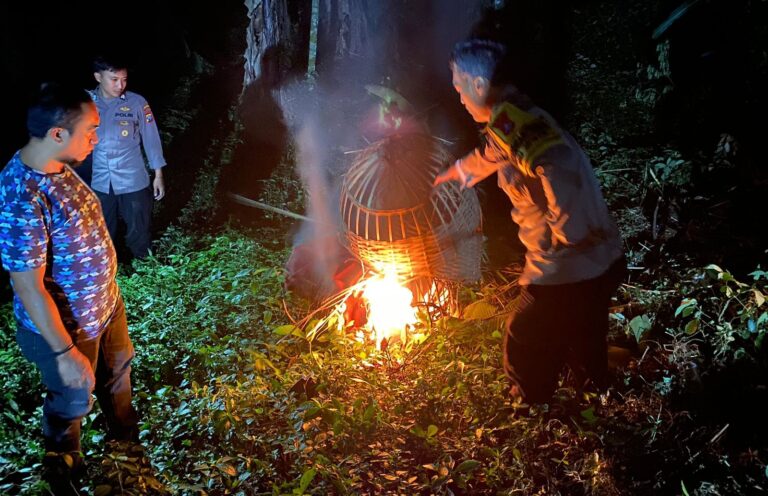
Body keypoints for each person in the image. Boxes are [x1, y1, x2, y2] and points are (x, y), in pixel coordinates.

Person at [434, 39, 625, 405]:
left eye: (459, 88)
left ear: (478, 84)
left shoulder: (517, 124)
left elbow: (558, 165)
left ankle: (531, 402)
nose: (458, 98)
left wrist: (570, 233)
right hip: (597, 260)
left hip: (571, 265)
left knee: (523, 337)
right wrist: (458, 172)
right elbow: (494, 152)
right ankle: (596, 395)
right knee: (584, 332)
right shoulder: (511, 120)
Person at [0, 84, 138, 493]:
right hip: (68, 325)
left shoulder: (59, 165)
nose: (98, 136)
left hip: (104, 307)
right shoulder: (22, 194)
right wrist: (63, 353)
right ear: (58, 133)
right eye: (91, 129)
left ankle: (126, 442)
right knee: (72, 395)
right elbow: (27, 286)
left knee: (118, 372)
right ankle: (64, 472)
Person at [88, 56, 167, 260]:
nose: (120, 85)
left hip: (133, 179)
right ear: (98, 77)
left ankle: (145, 269)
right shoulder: (85, 103)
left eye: (124, 79)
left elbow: (151, 139)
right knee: (103, 231)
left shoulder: (137, 102)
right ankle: (107, 273)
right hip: (100, 181)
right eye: (114, 79)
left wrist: (158, 174)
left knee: (139, 230)